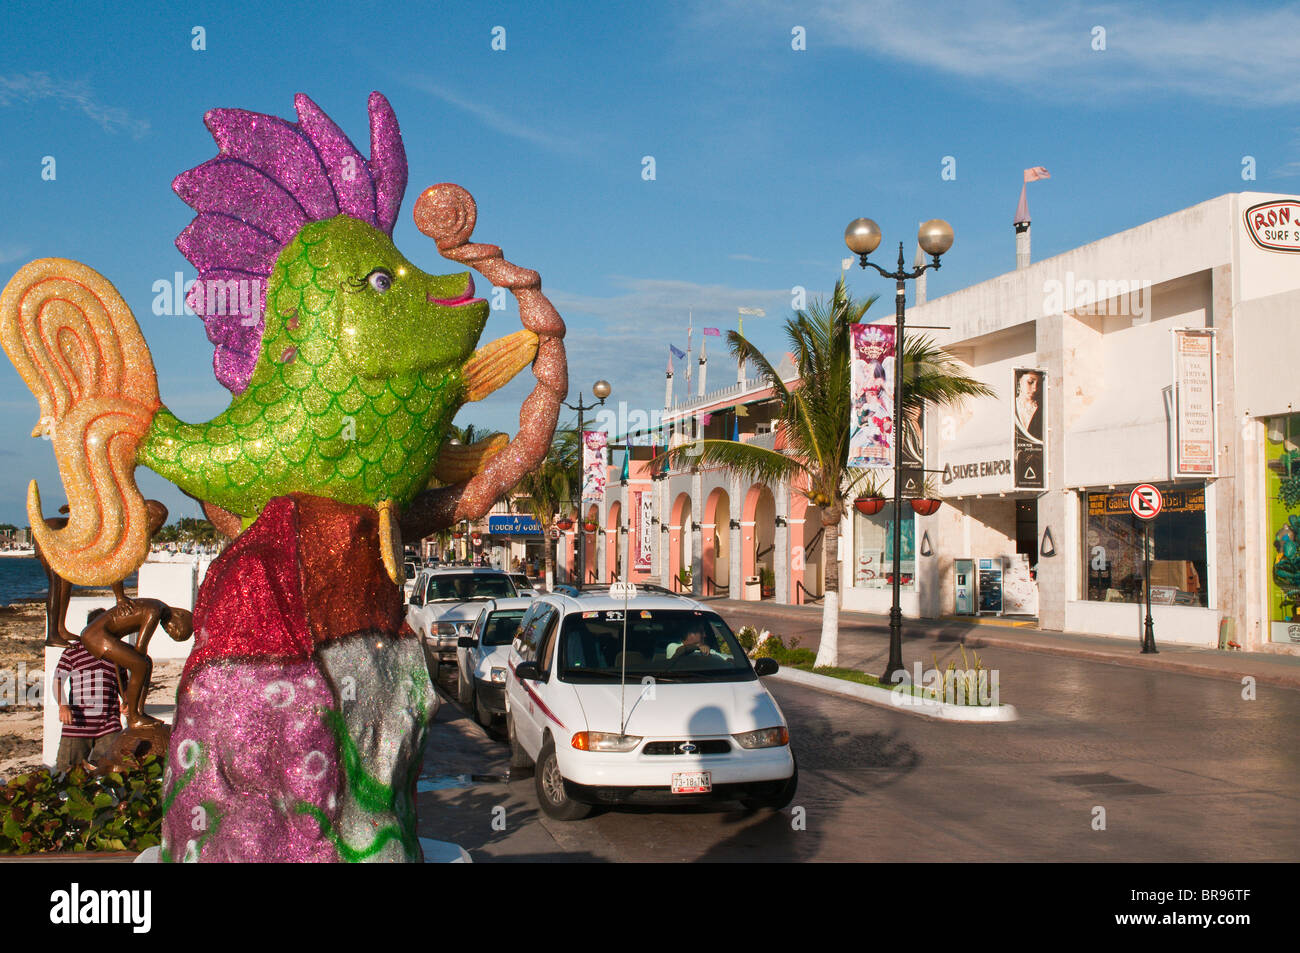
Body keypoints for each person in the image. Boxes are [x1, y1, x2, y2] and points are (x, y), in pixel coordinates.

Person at [77, 599, 194, 730]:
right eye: (173, 629)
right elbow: (141, 648)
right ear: (180, 615)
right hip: (95, 636)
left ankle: (139, 711)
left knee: (146, 663)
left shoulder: (155, 607)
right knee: (141, 665)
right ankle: (134, 717)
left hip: (103, 636)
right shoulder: (154, 611)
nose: (168, 630)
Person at [54, 635, 124, 772]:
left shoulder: (116, 653)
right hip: (78, 724)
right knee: (68, 773)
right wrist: (63, 706)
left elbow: (124, 685)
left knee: (110, 770)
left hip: (109, 724)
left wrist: (127, 703)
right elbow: (57, 680)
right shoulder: (73, 650)